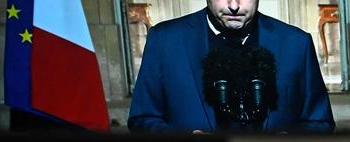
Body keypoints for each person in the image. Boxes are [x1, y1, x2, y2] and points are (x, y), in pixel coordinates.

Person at [127, 0, 335, 132]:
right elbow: (142, 119)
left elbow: (320, 122)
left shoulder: (296, 43)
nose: (234, 5)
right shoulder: (165, 41)